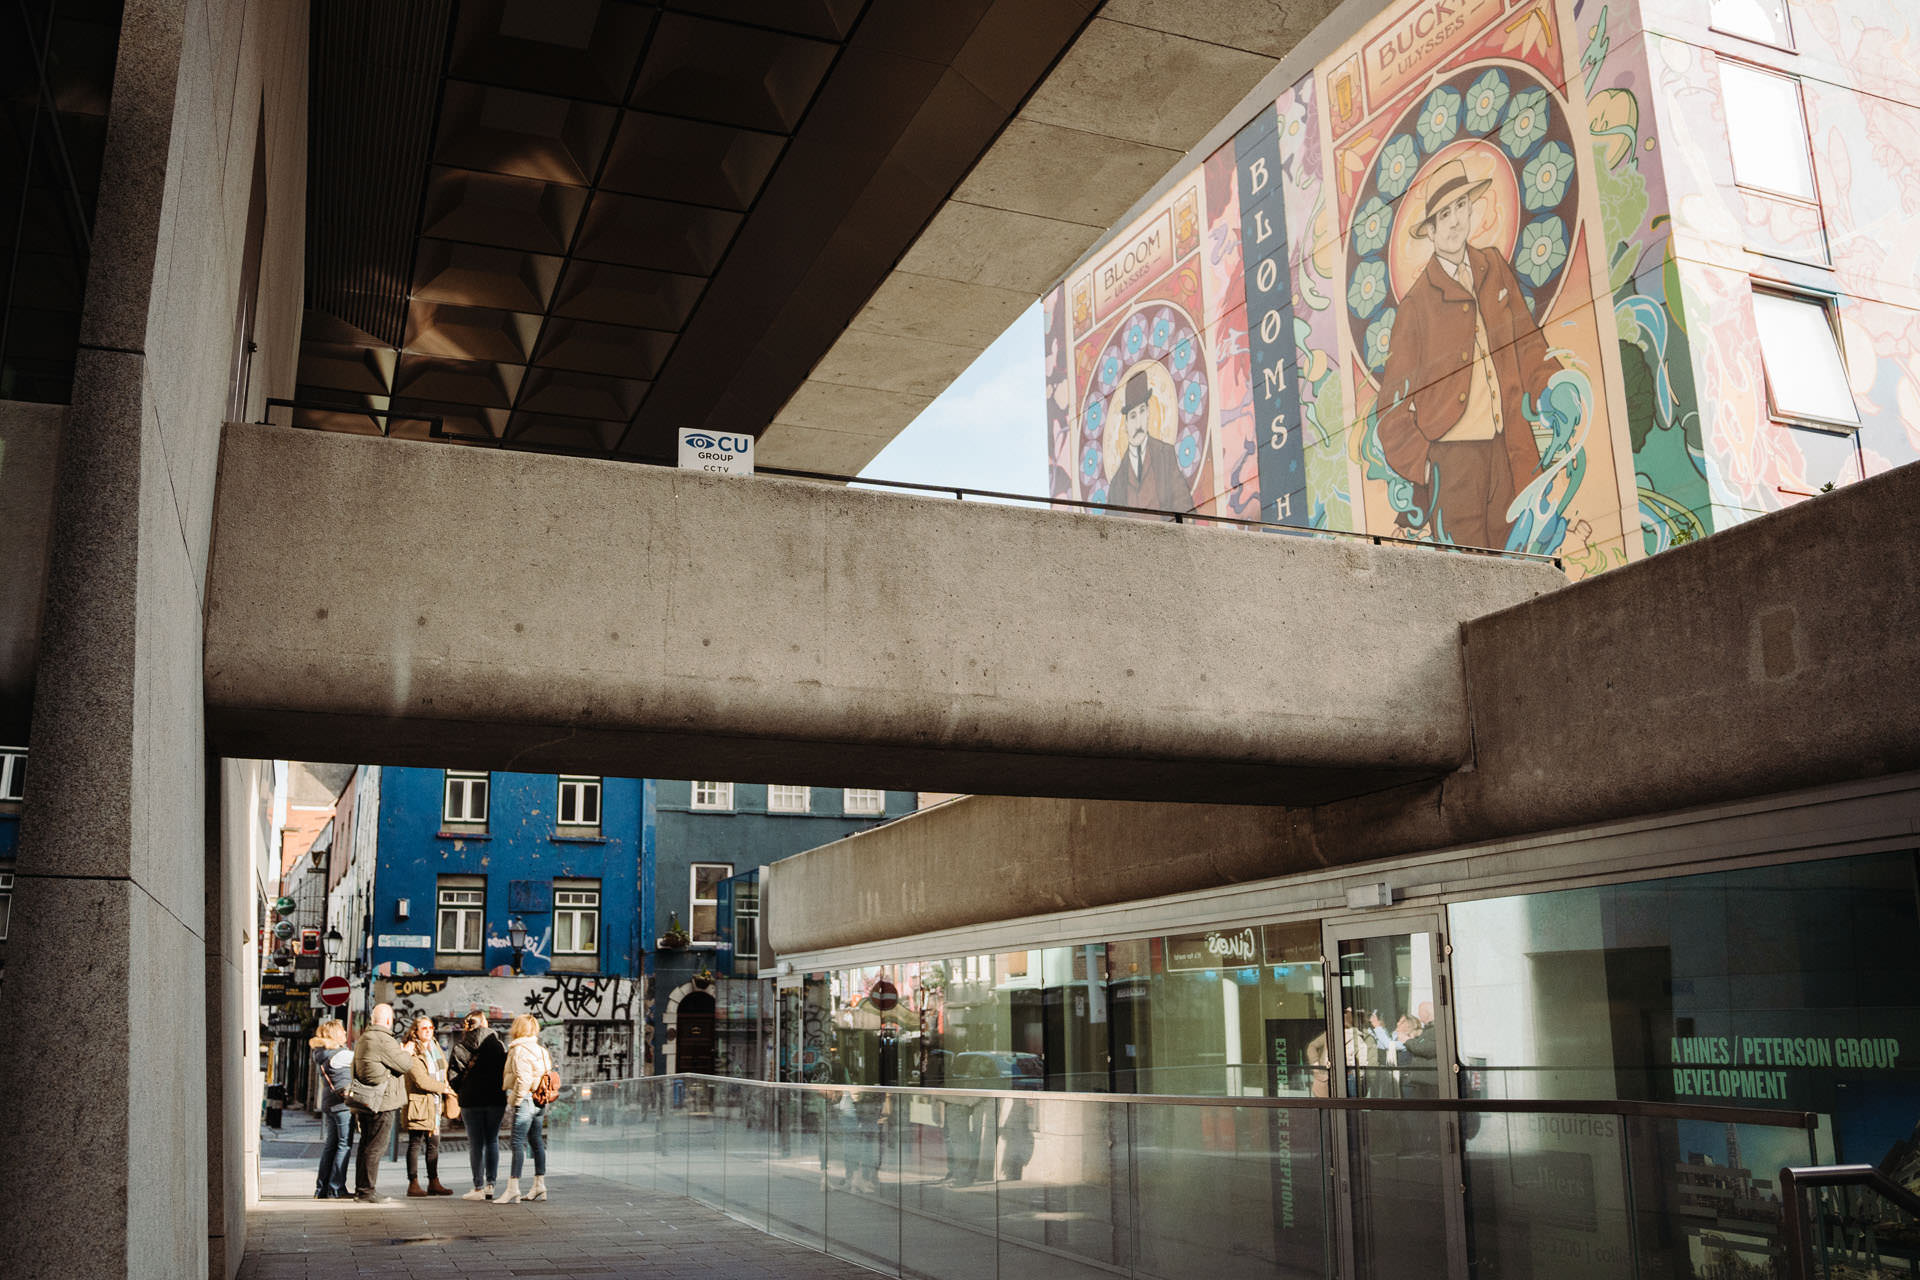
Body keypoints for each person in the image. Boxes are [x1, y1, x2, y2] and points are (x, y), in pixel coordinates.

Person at [1377, 158, 1559, 550]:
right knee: (1471, 572)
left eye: (1462, 206)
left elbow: (1529, 345)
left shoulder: (1493, 266)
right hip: (1454, 465)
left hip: (1511, 449)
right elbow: (1390, 412)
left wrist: (1556, 388)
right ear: (1430, 229)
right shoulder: (1415, 306)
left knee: (1519, 566)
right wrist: (1429, 465)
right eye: (1445, 213)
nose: (1456, 220)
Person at [350, 1003, 418, 1203]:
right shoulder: (383, 1039)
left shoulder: (365, 1037)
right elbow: (404, 1064)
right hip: (382, 1100)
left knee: (366, 1145)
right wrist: (406, 1050)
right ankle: (367, 1191)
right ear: (389, 1020)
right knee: (376, 1146)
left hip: (367, 1099)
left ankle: (361, 1189)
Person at [1103, 370, 1189, 516]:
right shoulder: (1117, 483)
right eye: (1133, 416)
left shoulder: (1165, 456)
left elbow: (1184, 503)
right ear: (1126, 424)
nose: (1138, 423)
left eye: (1142, 411)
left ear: (1148, 413)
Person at [449, 1011, 508, 1200]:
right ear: (485, 1023)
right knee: (492, 1141)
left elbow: (453, 1078)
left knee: (475, 1143)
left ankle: (478, 1187)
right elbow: (505, 1072)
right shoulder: (498, 1045)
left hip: (471, 1101)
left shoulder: (460, 1046)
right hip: (495, 1100)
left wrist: (464, 1090)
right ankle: (491, 1185)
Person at [499, 1013, 553, 1203]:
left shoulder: (519, 1050)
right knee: (536, 1140)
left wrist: (513, 1100)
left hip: (526, 1098)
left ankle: (513, 1187)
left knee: (517, 1142)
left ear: (517, 1029)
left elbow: (523, 1080)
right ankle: (540, 1185)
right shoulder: (540, 1050)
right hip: (540, 1099)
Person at [401, 1016, 456, 1196]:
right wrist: (444, 1088)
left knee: (434, 1143)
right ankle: (413, 1183)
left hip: (435, 1104)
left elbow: (444, 1069)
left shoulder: (435, 1047)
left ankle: (434, 1181)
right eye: (424, 1028)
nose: (428, 1030)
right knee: (415, 1143)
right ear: (415, 1031)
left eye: (430, 1027)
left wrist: (446, 1087)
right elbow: (421, 1080)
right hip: (419, 1104)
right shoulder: (412, 1051)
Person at [309, 1019, 354, 1199]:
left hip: (329, 1102)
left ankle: (322, 1188)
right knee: (344, 1145)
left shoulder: (322, 1054)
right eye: (342, 1031)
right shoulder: (340, 1055)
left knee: (331, 1146)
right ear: (335, 1034)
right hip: (342, 1104)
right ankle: (336, 1188)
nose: (345, 1033)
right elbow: (363, 1058)